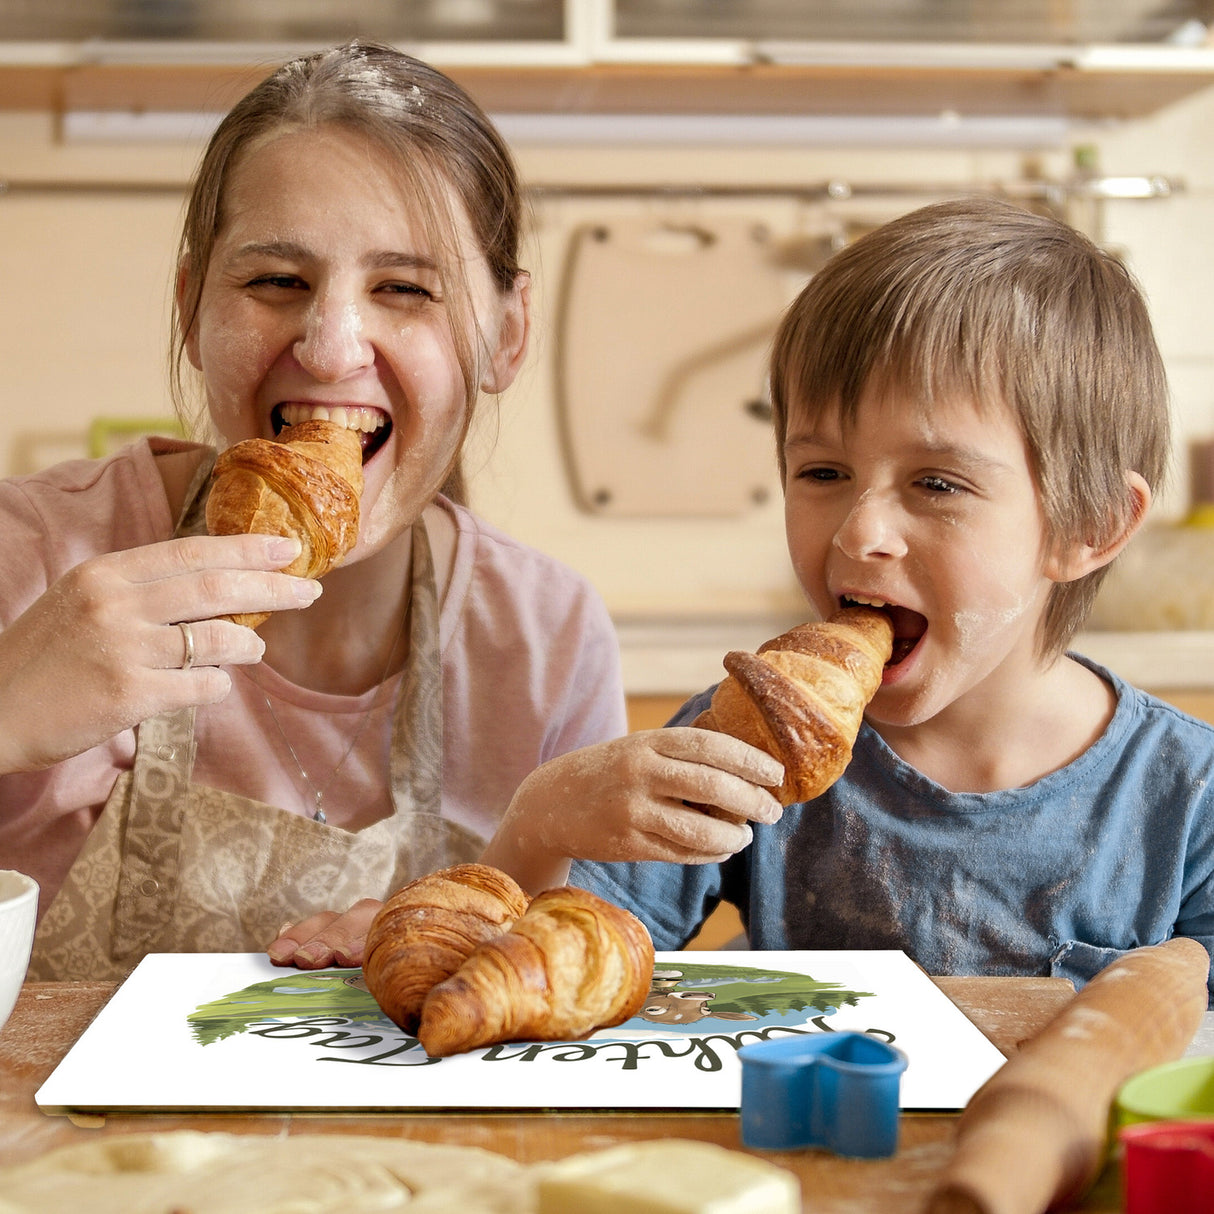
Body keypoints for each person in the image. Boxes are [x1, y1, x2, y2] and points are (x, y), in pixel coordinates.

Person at [1, 40, 634, 981]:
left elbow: (580, 983)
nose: (334, 347)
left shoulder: (544, 639)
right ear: (190, 307)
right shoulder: (35, 557)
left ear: (506, 335)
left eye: (405, 289)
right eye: (275, 282)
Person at [488, 196, 1214, 999]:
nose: (860, 531)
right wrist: (540, 819)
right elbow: (551, 968)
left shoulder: (1188, 799)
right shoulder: (748, 740)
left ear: (1090, 525)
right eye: (823, 473)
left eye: (937, 483)